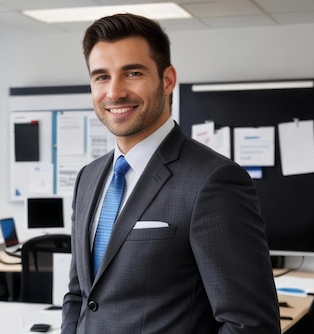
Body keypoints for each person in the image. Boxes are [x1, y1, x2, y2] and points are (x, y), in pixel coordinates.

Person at [61, 13, 280, 333]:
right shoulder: (88, 178)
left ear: (167, 79)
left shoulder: (213, 181)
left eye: (132, 72)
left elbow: (250, 324)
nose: (115, 92)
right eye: (101, 77)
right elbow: (80, 295)